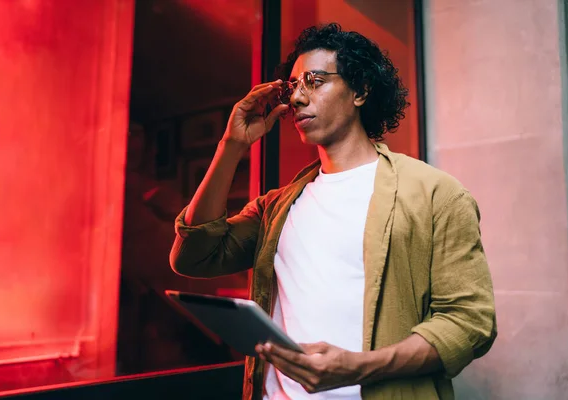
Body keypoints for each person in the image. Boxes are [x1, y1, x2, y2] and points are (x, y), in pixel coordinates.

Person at [170, 23, 496, 400]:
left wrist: (360, 367)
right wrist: (231, 145)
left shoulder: (436, 194)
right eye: (293, 86)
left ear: (360, 90)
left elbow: (470, 322)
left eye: (315, 81)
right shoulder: (278, 207)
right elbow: (194, 257)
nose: (297, 99)